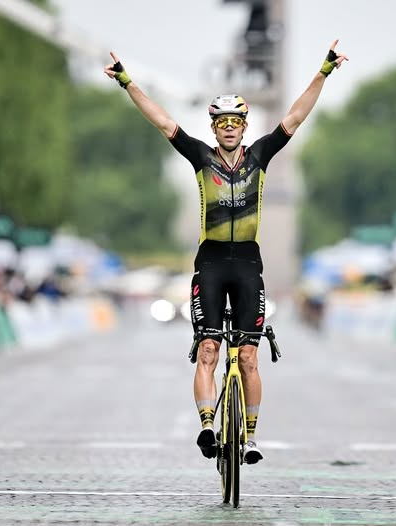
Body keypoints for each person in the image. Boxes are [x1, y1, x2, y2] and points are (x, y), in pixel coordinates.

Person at [104, 40, 348, 464]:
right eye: (222, 122)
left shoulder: (260, 156)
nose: (229, 128)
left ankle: (249, 437)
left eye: (236, 121)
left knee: (249, 357)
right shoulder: (201, 157)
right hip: (212, 263)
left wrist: (323, 72)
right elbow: (162, 121)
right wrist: (127, 82)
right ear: (214, 128)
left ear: (245, 126)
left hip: (249, 264)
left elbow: (295, 116)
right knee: (208, 350)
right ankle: (206, 426)